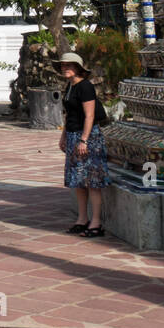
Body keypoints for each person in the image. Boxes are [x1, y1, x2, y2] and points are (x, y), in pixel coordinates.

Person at [57, 52, 108, 238]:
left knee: (92, 180)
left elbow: (90, 115)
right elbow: (69, 114)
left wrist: (84, 139)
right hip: (72, 135)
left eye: (69, 65)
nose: (65, 68)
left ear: (78, 68)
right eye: (63, 65)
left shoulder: (85, 87)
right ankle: (82, 218)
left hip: (88, 137)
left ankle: (96, 222)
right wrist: (64, 136)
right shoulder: (69, 86)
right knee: (78, 180)